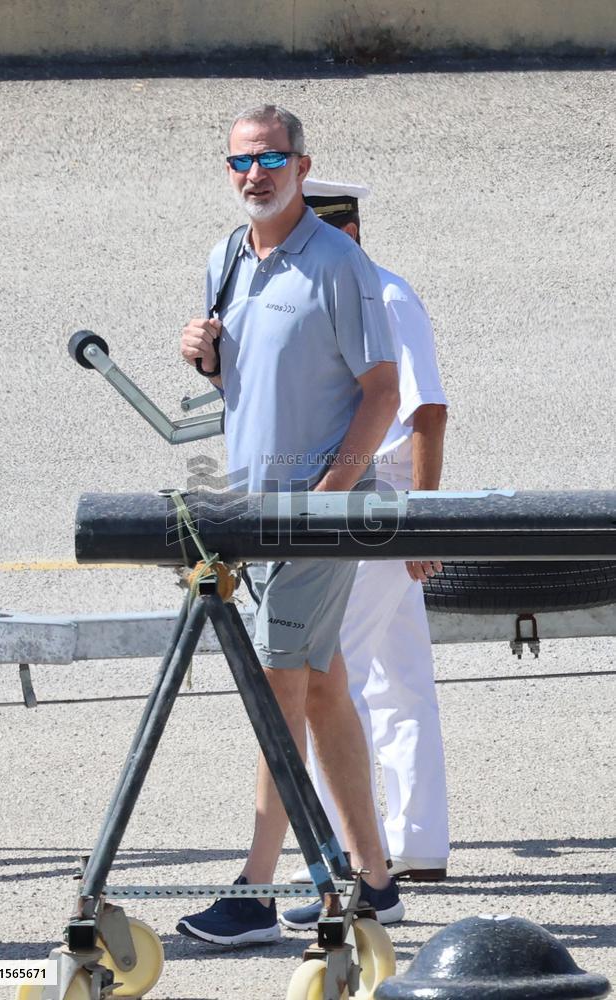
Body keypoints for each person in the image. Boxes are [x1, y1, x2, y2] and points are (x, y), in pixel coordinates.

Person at [177, 106, 404, 946]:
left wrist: (330, 495)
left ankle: (257, 890)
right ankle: (375, 881)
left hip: (317, 513)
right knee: (324, 685)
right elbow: (251, 374)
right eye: (241, 162)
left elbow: (382, 392)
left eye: (272, 159)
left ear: (304, 167)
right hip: (252, 509)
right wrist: (201, 351)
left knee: (278, 687)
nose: (255, 174)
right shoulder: (224, 259)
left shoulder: (341, 264)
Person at [281, 179, 449, 932]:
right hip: (365, 497)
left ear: (341, 231)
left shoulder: (381, 293)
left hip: (375, 498)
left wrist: (420, 515)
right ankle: (415, 844)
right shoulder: (342, 291)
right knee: (398, 677)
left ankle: (349, 858)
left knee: (324, 674)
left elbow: (427, 408)